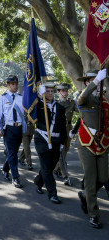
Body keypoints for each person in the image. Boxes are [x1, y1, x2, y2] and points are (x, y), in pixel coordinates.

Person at [76, 69, 108, 228]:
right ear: (87, 83)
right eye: (91, 81)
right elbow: (81, 99)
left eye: (97, 80)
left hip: (102, 144)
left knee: (103, 178)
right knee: (90, 179)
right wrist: (96, 81)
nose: (94, 83)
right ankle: (93, 214)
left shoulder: (104, 102)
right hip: (86, 143)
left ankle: (86, 196)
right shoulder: (83, 98)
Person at [34, 82, 67, 204]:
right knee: (47, 167)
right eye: (47, 91)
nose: (50, 93)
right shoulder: (38, 105)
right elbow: (29, 106)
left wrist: (63, 141)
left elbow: (63, 127)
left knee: (50, 166)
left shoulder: (60, 107)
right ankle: (53, 193)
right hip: (42, 139)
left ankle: (38, 181)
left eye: (52, 91)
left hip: (56, 140)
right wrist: (38, 95)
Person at [0, 75, 26, 188]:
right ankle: (16, 177)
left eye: (16, 84)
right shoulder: (3, 98)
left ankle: (5, 169)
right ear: (8, 85)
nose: (15, 86)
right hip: (8, 128)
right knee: (12, 153)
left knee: (13, 152)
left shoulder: (20, 97)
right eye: (12, 84)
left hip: (19, 128)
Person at [54, 82, 78, 185]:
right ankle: (65, 175)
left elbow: (81, 111)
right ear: (58, 92)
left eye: (66, 91)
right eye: (63, 91)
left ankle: (56, 169)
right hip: (59, 129)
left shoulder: (71, 103)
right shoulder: (55, 103)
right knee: (61, 153)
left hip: (68, 129)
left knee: (66, 150)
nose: (65, 93)